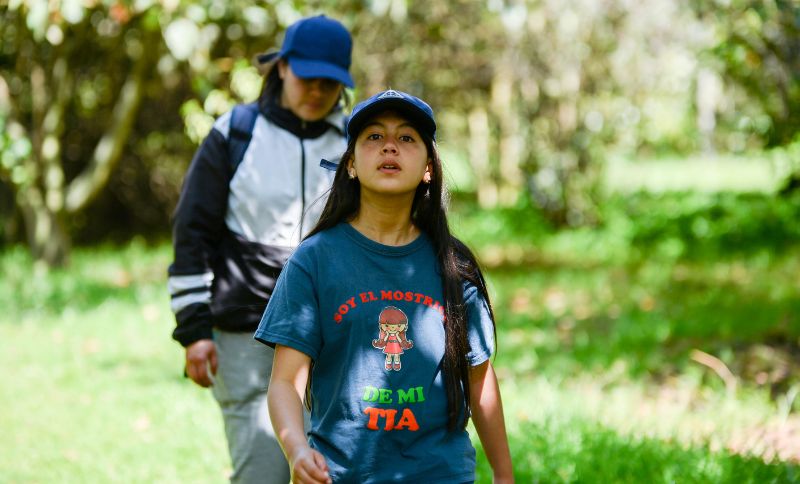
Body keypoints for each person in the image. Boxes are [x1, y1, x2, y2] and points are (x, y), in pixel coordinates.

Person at [255, 89, 514, 483]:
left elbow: (478, 378)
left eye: (407, 138)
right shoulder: (314, 261)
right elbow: (285, 384)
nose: (390, 146)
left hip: (440, 474)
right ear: (352, 165)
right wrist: (297, 450)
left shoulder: (453, 265)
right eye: (374, 137)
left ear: (428, 167)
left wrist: (504, 475)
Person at [167, 15, 354, 484]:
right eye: (308, 77)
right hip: (245, 332)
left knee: (329, 471)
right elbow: (192, 231)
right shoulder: (235, 132)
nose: (317, 90)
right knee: (264, 470)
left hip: (334, 334)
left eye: (330, 82)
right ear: (283, 67)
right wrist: (194, 328)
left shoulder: (356, 142)